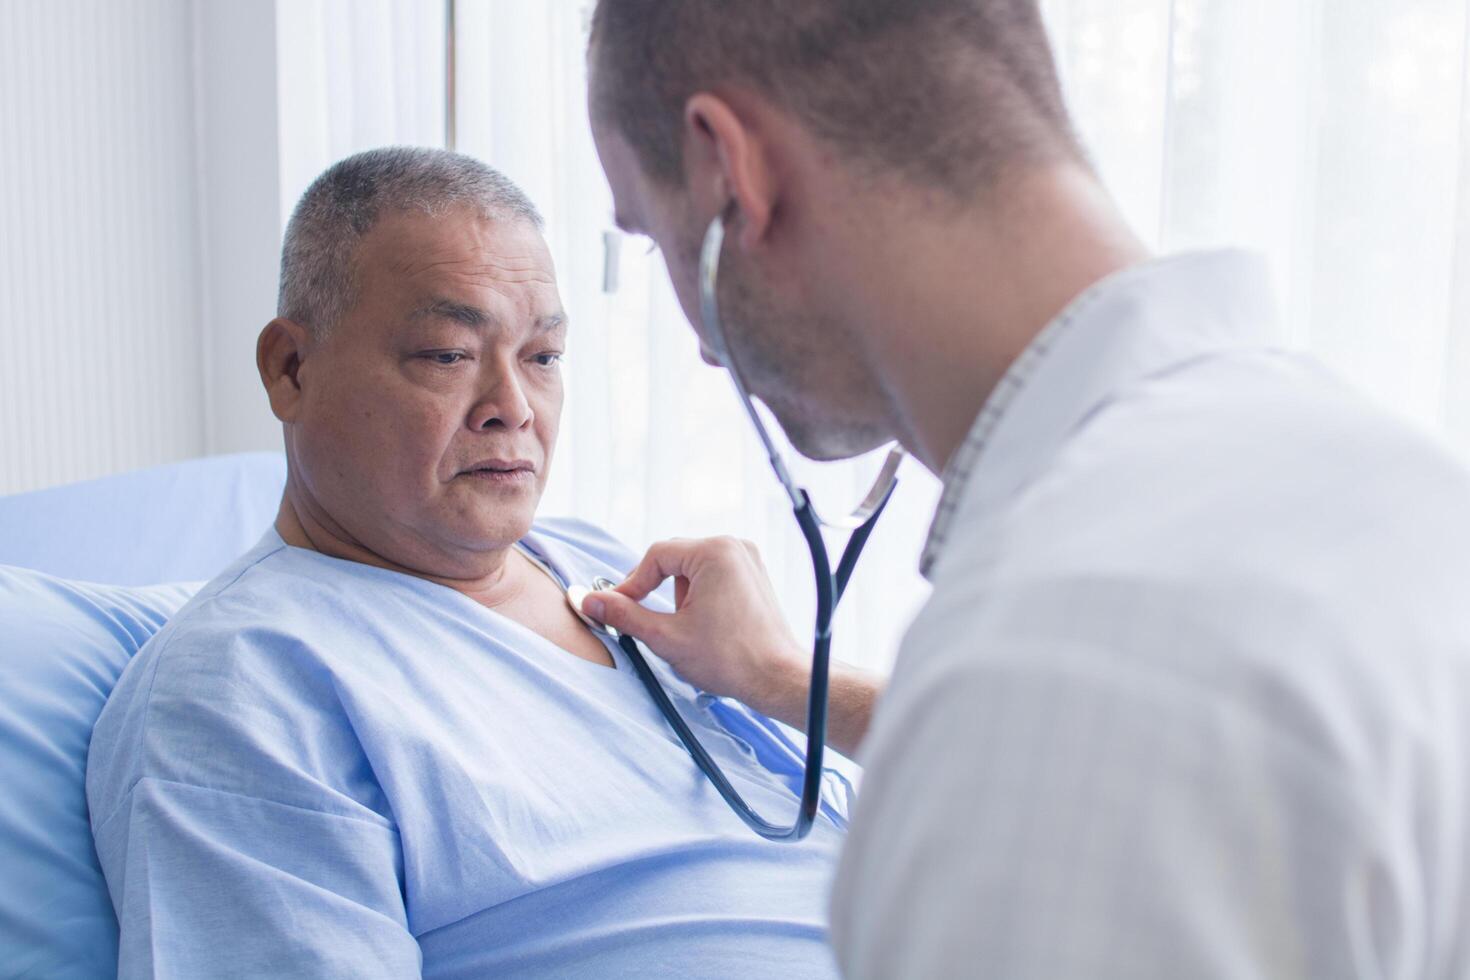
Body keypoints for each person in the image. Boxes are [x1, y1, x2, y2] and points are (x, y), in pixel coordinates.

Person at [582, 1, 1470, 976]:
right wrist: (781, 680)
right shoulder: (1382, 479)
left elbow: (1065, 716)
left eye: (655, 235)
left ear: (725, 171)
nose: (705, 349)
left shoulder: (1056, 663)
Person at [86, 147, 858, 979]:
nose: (514, 409)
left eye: (543, 358)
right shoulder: (246, 687)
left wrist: (780, 677)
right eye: (449, 354)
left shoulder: (601, 567)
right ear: (291, 369)